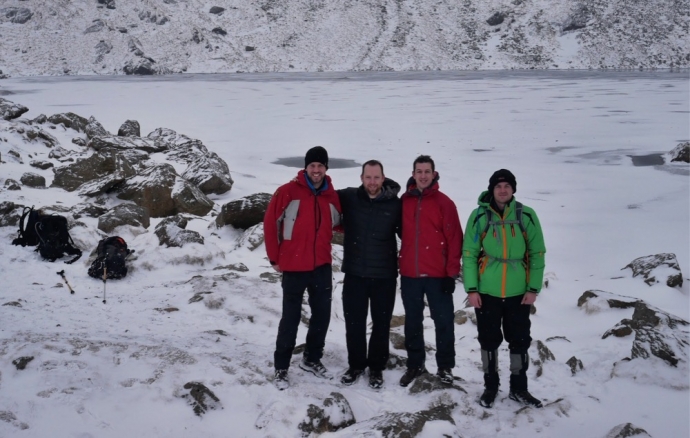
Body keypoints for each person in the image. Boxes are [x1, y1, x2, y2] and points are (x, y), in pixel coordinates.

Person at [462, 169, 546, 408]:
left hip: (518, 293)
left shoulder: (526, 215)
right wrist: (472, 289)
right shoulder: (479, 216)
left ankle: (519, 388)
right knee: (488, 341)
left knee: (519, 341)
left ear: (513, 189)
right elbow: (469, 253)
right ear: (492, 189)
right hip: (487, 292)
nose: (502, 190)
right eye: (498, 186)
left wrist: (533, 288)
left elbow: (537, 253)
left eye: (507, 186)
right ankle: (490, 386)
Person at [263, 146, 342, 390]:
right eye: (312, 166)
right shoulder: (287, 192)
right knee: (291, 318)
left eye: (320, 166)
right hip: (294, 266)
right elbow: (269, 223)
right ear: (305, 168)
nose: (316, 170)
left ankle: (312, 358)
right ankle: (281, 367)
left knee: (322, 315)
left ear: (326, 168)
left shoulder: (332, 196)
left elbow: (339, 223)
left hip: (321, 265)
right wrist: (274, 258)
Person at [398, 155, 463, 387]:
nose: (423, 175)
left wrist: (451, 273)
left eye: (427, 171)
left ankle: (445, 367)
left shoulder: (444, 203)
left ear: (434, 174)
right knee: (412, 322)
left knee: (443, 321)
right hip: (410, 274)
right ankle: (415, 365)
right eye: (419, 171)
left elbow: (455, 239)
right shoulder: (404, 201)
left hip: (438, 276)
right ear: (413, 174)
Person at [337, 160, 402, 389]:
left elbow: (410, 233)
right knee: (354, 323)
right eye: (368, 177)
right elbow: (322, 196)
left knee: (381, 324)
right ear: (361, 178)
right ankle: (356, 365)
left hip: (384, 276)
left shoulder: (396, 204)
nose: (372, 182)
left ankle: (376, 368)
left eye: (376, 177)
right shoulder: (349, 197)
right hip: (355, 273)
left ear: (383, 178)